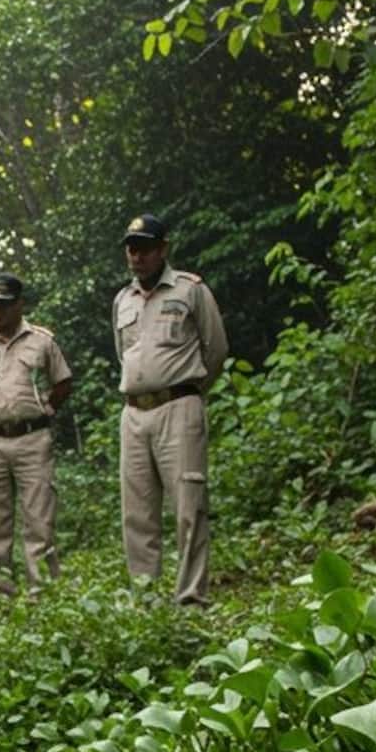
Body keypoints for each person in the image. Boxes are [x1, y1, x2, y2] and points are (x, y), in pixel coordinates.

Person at [113, 214, 228, 605]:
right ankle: (145, 600)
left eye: (145, 248)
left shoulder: (190, 290)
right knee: (137, 512)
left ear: (163, 249)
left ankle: (191, 598)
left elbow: (216, 350)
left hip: (179, 406)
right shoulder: (122, 300)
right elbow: (123, 354)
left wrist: (189, 391)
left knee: (188, 506)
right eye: (131, 248)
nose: (137, 256)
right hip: (133, 413)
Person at [0, 273, 73, 596]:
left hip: (33, 437)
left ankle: (44, 593)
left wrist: (46, 408)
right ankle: (1, 594)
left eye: (4, 305)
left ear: (19, 304)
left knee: (39, 518)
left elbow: (63, 382)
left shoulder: (42, 341)